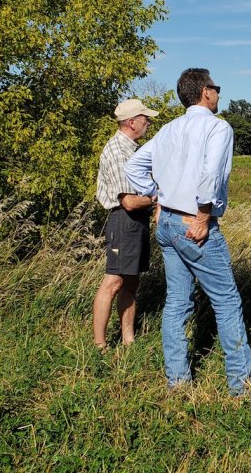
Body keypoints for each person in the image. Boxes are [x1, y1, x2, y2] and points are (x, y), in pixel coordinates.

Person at [125, 68, 251, 397]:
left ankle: (177, 381)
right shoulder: (218, 127)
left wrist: (158, 196)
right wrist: (201, 217)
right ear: (204, 92)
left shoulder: (169, 129)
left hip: (168, 222)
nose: (219, 92)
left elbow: (134, 166)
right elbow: (211, 175)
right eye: (216, 87)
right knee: (226, 302)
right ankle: (242, 385)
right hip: (192, 224)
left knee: (176, 304)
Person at [93, 98, 159, 353]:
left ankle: (128, 340)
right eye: (145, 119)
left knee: (130, 283)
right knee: (113, 282)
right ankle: (99, 345)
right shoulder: (118, 151)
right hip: (125, 220)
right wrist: (160, 196)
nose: (148, 123)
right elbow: (129, 201)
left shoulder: (131, 148)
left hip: (135, 222)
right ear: (132, 122)